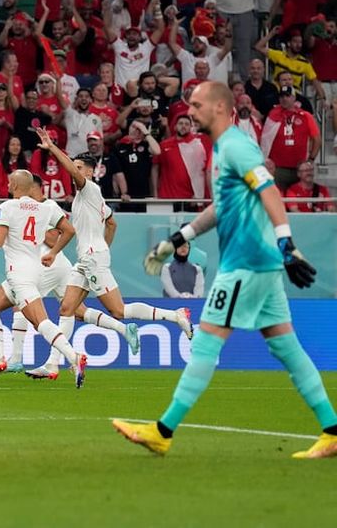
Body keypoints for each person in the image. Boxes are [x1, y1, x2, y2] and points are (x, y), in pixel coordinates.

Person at [120, 81, 337, 459]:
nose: (190, 111)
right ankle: (333, 431)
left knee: (205, 341)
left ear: (220, 108)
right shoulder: (221, 149)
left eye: (198, 104)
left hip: (247, 264)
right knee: (287, 347)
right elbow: (221, 208)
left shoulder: (236, 146)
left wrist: (288, 243)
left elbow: (269, 190)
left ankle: (162, 430)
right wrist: (176, 238)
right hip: (259, 264)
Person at [33, 128, 193, 366]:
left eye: (79, 168)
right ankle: (52, 364)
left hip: (92, 259)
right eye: (74, 167)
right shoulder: (87, 198)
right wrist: (102, 247)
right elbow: (112, 222)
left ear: (89, 171)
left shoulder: (89, 189)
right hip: (87, 259)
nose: (74, 172)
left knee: (119, 311)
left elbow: (109, 220)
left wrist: (53, 148)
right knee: (67, 309)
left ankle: (176, 315)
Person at [0, 174, 138, 380]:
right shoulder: (39, 209)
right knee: (75, 311)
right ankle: (122, 329)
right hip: (47, 265)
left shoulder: (44, 207)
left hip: (46, 266)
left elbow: (55, 238)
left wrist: (38, 237)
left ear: (34, 188)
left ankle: (28, 358)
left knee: (35, 314)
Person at [0, 169, 88, 388]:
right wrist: (53, 252)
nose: (6, 185)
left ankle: (74, 357)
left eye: (8, 182)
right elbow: (69, 231)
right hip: (34, 270)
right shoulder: (44, 208)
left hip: (20, 275)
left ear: (14, 186)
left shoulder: (5, 208)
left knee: (40, 322)